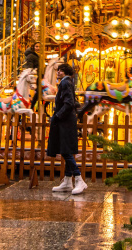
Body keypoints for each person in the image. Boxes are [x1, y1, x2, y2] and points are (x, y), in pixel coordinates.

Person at [47, 63, 85, 195]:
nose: (58, 72)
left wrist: (57, 115)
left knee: (65, 151)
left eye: (60, 70)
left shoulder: (65, 83)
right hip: (67, 120)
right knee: (66, 149)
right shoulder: (67, 82)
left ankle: (79, 179)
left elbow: (68, 103)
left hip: (65, 121)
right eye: (58, 70)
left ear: (65, 72)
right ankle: (68, 181)